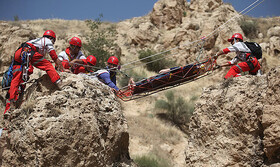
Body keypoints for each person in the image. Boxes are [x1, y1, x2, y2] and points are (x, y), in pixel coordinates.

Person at [4, 30, 64, 117]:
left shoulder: (36, 41)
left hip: (19, 53)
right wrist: (61, 67)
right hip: (28, 53)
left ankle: (11, 104)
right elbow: (53, 56)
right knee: (47, 65)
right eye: (53, 42)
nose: (52, 43)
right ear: (51, 38)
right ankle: (59, 83)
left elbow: (36, 59)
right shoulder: (47, 40)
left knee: (16, 79)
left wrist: (46, 60)